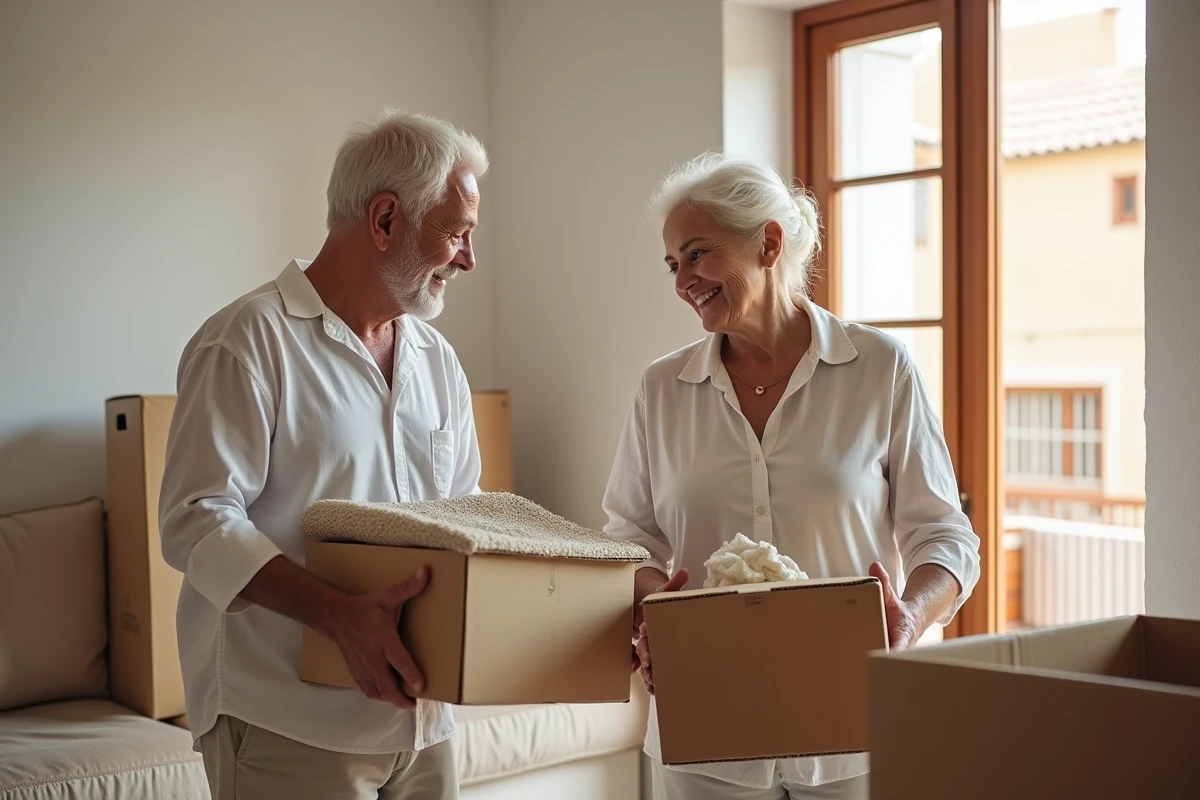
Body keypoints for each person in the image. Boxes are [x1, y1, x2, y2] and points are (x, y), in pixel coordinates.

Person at [602, 153, 982, 800]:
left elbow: (946, 538)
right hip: (704, 726)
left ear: (769, 243)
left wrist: (910, 618)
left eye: (697, 254)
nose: (683, 281)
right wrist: (656, 609)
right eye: (673, 264)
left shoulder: (880, 369)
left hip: (852, 732)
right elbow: (627, 541)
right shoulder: (662, 388)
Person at [158, 109, 488, 799]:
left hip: (426, 726)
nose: (467, 258)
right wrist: (338, 616)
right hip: (286, 722)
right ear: (385, 219)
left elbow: (465, 516)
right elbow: (196, 521)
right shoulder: (247, 341)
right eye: (456, 232)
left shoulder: (437, 360)